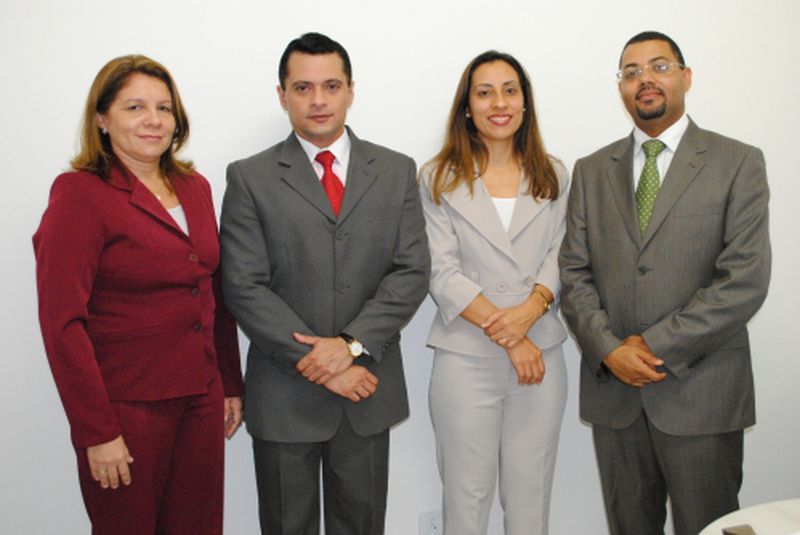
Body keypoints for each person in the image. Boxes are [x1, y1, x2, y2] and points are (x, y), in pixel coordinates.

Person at [559, 31, 771, 535]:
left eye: (659, 67)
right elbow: (573, 274)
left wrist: (652, 346)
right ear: (620, 87)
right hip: (617, 399)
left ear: (686, 77)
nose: (645, 80)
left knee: (709, 527)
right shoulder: (591, 170)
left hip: (702, 393)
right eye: (631, 72)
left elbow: (743, 279)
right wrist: (610, 350)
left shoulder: (737, 162)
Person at [219, 32, 429, 535]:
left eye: (331, 86)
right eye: (303, 88)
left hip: (366, 391)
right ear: (282, 95)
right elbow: (244, 285)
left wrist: (350, 347)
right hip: (284, 395)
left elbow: (411, 271)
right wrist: (323, 364)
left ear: (350, 90)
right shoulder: (250, 177)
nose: (318, 100)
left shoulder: (396, 170)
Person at [33, 54, 244, 535]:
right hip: (126, 409)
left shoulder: (194, 187)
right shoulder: (80, 194)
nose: (154, 120)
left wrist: (230, 382)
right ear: (102, 119)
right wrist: (96, 431)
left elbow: (213, 289)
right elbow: (62, 322)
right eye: (135, 107)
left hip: (201, 399)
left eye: (164, 108)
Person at [419, 50, 570, 535]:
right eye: (484, 93)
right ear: (467, 107)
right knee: (466, 501)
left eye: (510, 91)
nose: (498, 103)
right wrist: (512, 336)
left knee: (531, 500)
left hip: (541, 357)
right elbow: (441, 272)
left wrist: (530, 314)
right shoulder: (437, 177)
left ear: (525, 102)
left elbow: (561, 257)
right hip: (466, 356)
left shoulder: (554, 174)